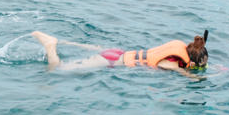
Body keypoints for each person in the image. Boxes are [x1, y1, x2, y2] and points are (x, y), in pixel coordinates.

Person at [31, 30, 209, 76]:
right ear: (191, 63)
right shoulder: (170, 63)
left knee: (94, 49)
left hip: (119, 52)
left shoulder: (179, 45)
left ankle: (63, 42)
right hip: (114, 61)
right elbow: (183, 73)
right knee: (58, 69)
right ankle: (50, 46)